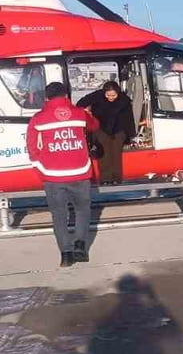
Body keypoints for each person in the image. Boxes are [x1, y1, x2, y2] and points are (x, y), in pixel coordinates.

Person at [26, 81, 99, 267]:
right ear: (66, 96)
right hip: (80, 172)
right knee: (82, 210)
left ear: (47, 98)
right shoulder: (79, 114)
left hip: (52, 175)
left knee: (59, 215)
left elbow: (32, 146)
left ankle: (66, 255)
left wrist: (39, 167)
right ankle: (81, 246)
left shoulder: (38, 118)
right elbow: (94, 126)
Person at [77, 80, 136, 184]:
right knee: (104, 153)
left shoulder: (124, 101)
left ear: (118, 93)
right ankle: (105, 179)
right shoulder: (97, 96)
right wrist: (86, 112)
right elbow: (80, 103)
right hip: (101, 128)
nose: (111, 98)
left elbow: (129, 119)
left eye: (113, 95)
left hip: (119, 129)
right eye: (108, 95)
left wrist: (130, 135)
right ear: (104, 93)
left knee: (116, 154)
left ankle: (116, 179)